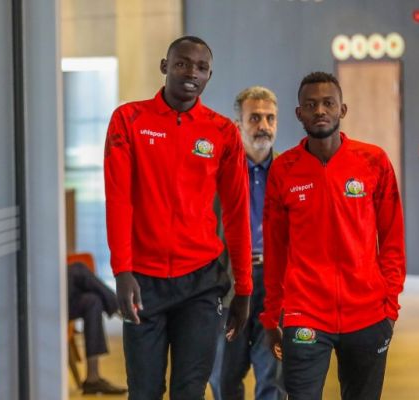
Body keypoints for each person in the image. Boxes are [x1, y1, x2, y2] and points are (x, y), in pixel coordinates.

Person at [103, 36, 252, 399]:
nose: (191, 73)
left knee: (190, 391)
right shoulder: (129, 120)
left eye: (201, 68)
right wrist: (122, 271)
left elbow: (236, 213)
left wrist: (244, 288)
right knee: (144, 391)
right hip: (143, 283)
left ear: (209, 76)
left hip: (201, 284)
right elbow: (118, 199)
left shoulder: (222, 132)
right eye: (183, 63)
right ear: (165, 67)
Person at [260, 71, 406, 400]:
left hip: (368, 314)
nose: (320, 110)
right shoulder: (284, 170)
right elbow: (275, 249)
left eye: (328, 103)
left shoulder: (374, 162)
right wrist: (272, 314)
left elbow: (393, 241)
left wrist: (389, 307)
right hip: (305, 313)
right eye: (310, 105)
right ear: (299, 113)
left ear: (343, 110)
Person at [209, 86, 286, 400]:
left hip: (276, 285)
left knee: (273, 379)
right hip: (230, 286)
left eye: (270, 118)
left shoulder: (288, 172)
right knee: (223, 378)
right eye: (255, 118)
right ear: (237, 124)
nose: (264, 126)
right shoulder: (216, 172)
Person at [67, 262, 127, 395]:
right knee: (79, 269)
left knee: (93, 301)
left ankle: (92, 379)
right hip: (37, 298)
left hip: (55, 295)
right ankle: (120, 307)